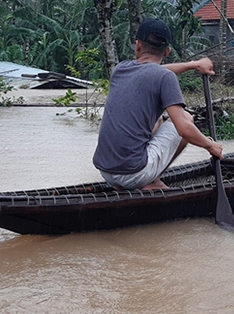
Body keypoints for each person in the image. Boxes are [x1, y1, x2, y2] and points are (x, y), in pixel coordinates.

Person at [93, 18, 223, 190]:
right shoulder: (164, 77)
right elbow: (183, 128)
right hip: (133, 174)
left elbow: (156, 71)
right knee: (186, 118)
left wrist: (194, 65)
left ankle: (147, 177)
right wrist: (211, 145)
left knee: (159, 120)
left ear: (137, 46)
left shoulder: (120, 69)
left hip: (105, 171)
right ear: (167, 51)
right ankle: (150, 180)